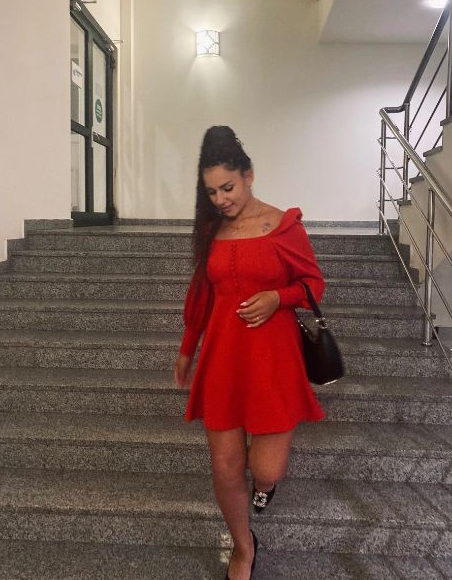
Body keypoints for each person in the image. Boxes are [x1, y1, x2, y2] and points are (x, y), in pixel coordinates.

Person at [174, 126, 326, 580]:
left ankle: (264, 485)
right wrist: (187, 348)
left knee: (267, 468)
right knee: (225, 468)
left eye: (228, 187)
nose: (220, 199)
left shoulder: (283, 226)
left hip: (273, 360)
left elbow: (314, 285)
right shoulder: (211, 231)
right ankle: (243, 548)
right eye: (211, 192)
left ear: (249, 175)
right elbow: (202, 293)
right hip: (223, 358)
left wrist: (278, 297)